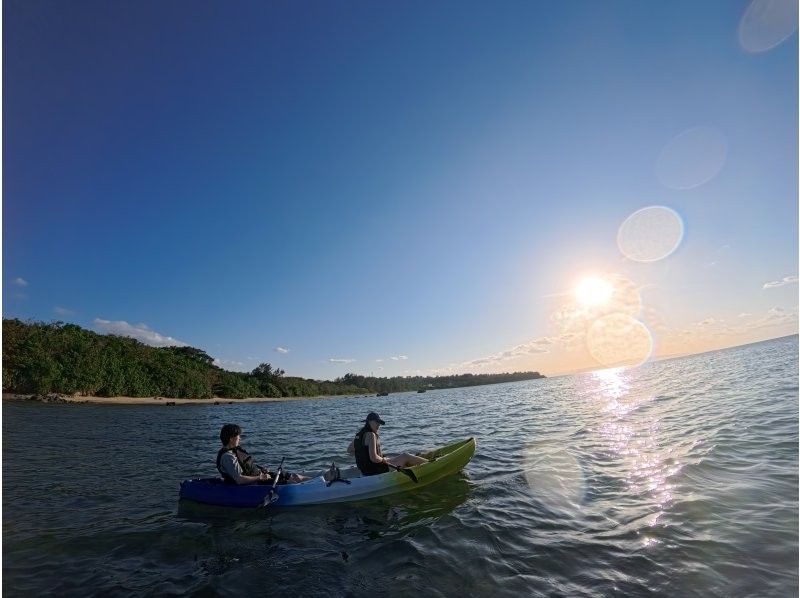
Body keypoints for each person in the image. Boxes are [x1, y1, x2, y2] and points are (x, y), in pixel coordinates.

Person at [217, 423, 308, 485]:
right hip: (253, 484)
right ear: (231, 438)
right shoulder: (228, 456)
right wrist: (260, 477)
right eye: (238, 436)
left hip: (259, 477)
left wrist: (261, 470)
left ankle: (319, 481)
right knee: (290, 482)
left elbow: (245, 466)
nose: (240, 438)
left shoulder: (234, 451)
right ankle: (313, 489)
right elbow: (239, 480)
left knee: (294, 476)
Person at [347, 412, 428, 476]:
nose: (379, 425)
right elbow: (373, 458)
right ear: (369, 421)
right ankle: (429, 463)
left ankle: (417, 462)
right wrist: (383, 459)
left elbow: (349, 450)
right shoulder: (371, 435)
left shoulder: (359, 435)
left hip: (365, 471)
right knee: (405, 456)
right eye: (377, 422)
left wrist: (363, 454)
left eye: (379, 423)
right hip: (376, 470)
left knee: (393, 458)